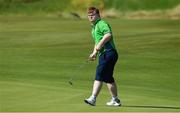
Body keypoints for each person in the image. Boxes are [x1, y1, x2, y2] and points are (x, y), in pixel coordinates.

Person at [84, 7, 121, 107]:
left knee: (99, 74)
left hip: (108, 53)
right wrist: (94, 53)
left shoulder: (101, 24)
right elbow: (97, 42)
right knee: (108, 78)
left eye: (93, 14)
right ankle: (115, 100)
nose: (90, 16)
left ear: (98, 15)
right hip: (106, 54)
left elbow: (108, 35)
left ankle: (93, 98)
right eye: (89, 15)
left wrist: (99, 46)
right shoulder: (94, 28)